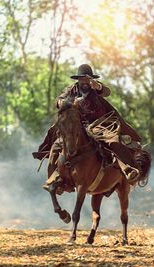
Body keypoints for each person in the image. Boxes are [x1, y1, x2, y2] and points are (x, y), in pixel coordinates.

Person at [33, 64, 143, 193]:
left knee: (113, 142)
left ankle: (128, 169)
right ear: (78, 80)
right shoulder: (71, 90)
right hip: (77, 126)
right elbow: (59, 99)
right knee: (56, 147)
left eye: (87, 79)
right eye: (82, 79)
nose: (84, 82)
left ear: (91, 79)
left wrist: (99, 87)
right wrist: (63, 103)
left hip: (99, 124)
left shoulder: (95, 87)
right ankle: (53, 179)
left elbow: (107, 91)